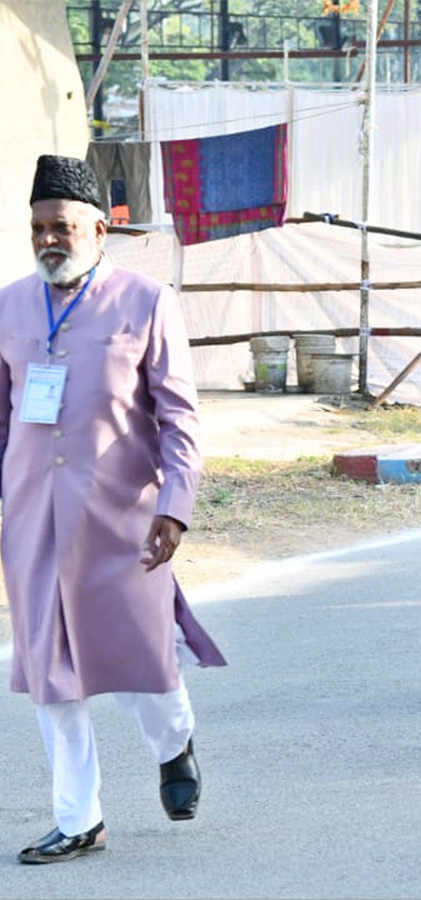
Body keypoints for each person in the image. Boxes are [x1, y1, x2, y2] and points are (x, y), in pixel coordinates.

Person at [1, 155, 226, 863]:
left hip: (123, 517)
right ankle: (80, 818)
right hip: (33, 521)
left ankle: (175, 741)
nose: (48, 241)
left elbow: (180, 418)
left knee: (140, 663)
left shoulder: (146, 300)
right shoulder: (7, 305)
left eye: (62, 227)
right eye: (38, 228)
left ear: (100, 230)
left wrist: (176, 506)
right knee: (50, 676)